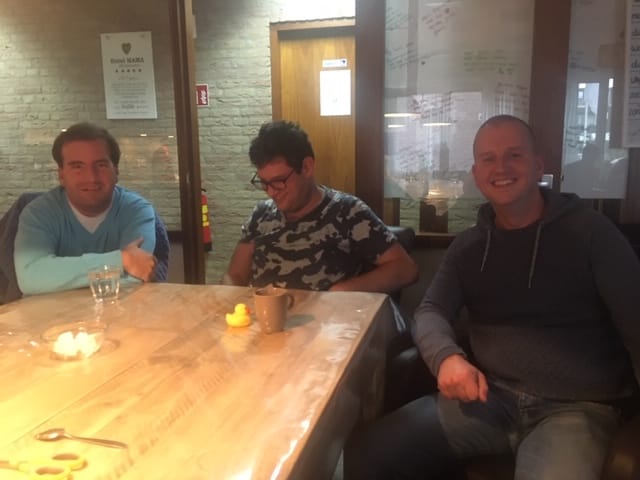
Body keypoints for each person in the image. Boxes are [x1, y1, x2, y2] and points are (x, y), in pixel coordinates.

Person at [344, 115, 640, 480]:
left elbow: (636, 323)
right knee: (363, 456)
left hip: (577, 408)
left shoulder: (592, 233)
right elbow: (431, 310)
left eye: (514, 155)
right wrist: (447, 358)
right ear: (476, 172)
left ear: (538, 165)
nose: (501, 168)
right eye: (488, 158)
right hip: (489, 398)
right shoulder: (469, 246)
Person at [223, 120, 418, 294]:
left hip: (326, 319)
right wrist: (227, 295)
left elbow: (405, 268)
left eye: (279, 181)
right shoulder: (261, 215)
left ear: (307, 167)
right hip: (263, 316)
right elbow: (235, 275)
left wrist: (341, 291)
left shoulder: (348, 212)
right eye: (264, 183)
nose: (271, 192)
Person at [14, 122, 158, 295]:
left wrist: (54, 279)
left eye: (101, 165)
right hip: (50, 313)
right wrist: (121, 260)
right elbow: (31, 277)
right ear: (61, 175)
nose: (91, 177)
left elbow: (137, 276)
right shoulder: (38, 213)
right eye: (77, 166)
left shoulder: (136, 211)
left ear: (116, 171)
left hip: (119, 311)